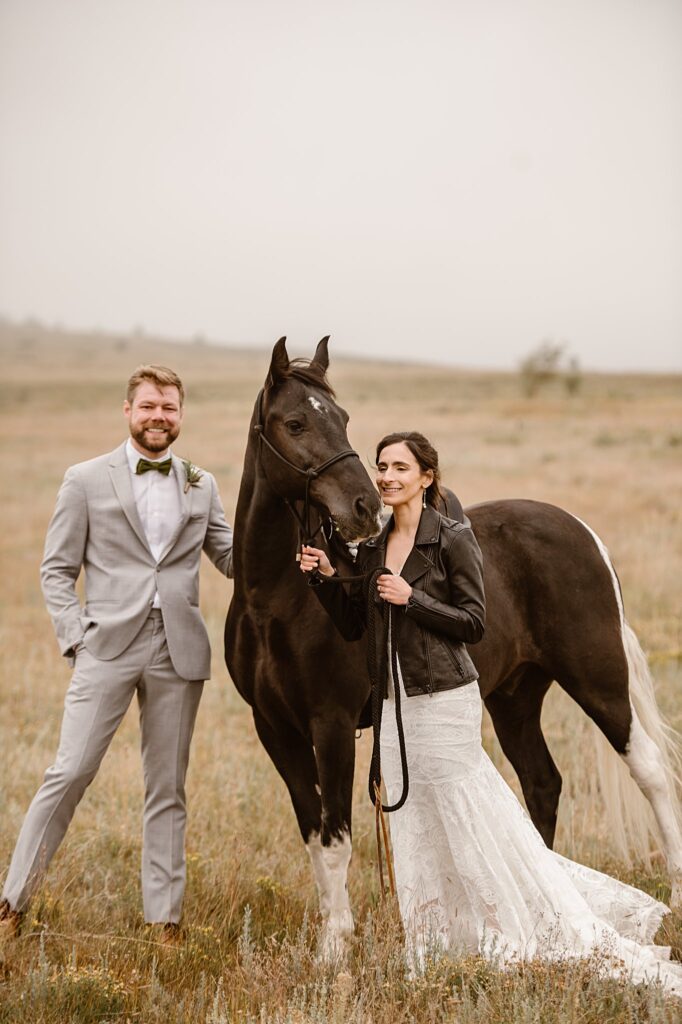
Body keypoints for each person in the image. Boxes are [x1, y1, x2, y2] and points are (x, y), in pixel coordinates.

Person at [300, 430, 682, 993]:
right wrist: (326, 580)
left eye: (400, 467)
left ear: (426, 477)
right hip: (398, 701)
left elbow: (473, 622)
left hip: (445, 696)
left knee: (473, 814)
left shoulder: (452, 538)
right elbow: (359, 623)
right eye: (382, 466)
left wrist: (414, 599)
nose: (386, 477)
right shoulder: (376, 547)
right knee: (416, 824)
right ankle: (435, 942)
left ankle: (530, 920)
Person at [0, 365, 233, 947]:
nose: (160, 416)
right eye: (150, 406)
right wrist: (76, 636)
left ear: (181, 415)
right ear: (128, 410)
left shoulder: (200, 483)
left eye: (170, 408)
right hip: (104, 646)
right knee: (70, 770)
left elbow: (232, 559)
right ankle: (12, 902)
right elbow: (56, 569)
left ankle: (164, 921)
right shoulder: (83, 479)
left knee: (167, 787)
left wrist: (291, 551)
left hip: (178, 651)